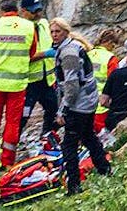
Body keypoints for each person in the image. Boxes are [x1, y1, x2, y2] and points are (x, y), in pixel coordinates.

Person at [49, 17, 112, 194]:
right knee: (88, 137)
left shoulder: (68, 53)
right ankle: (104, 168)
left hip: (79, 104)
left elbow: (72, 84)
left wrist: (63, 110)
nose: (54, 35)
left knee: (69, 145)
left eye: (58, 32)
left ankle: (74, 185)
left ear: (66, 32)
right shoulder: (74, 47)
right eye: (52, 32)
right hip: (89, 101)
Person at [0, 0, 37, 171]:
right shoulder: (28, 27)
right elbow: (31, 52)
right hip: (17, 84)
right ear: (16, 10)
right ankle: (7, 161)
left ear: (1, 11)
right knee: (12, 122)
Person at [18, 0, 59, 138]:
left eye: (39, 9)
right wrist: (45, 54)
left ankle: (46, 137)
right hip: (29, 83)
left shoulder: (44, 24)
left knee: (54, 110)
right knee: (22, 117)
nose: (38, 13)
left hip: (47, 81)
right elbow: (21, 57)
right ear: (23, 11)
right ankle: (10, 148)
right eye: (34, 11)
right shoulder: (21, 29)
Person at [88, 30, 120, 133]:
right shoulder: (110, 58)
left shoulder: (88, 54)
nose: (113, 49)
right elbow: (114, 82)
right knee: (102, 137)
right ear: (110, 42)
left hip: (85, 103)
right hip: (102, 106)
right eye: (114, 46)